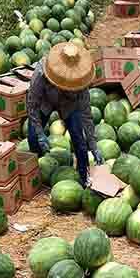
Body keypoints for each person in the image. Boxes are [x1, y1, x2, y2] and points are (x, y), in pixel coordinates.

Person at [27, 41, 103, 187]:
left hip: (69, 105)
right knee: (32, 137)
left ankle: (84, 177)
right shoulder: (41, 74)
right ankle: (39, 170)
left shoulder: (81, 82)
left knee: (79, 142)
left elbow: (86, 116)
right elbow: (32, 105)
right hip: (46, 102)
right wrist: (39, 132)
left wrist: (94, 146)